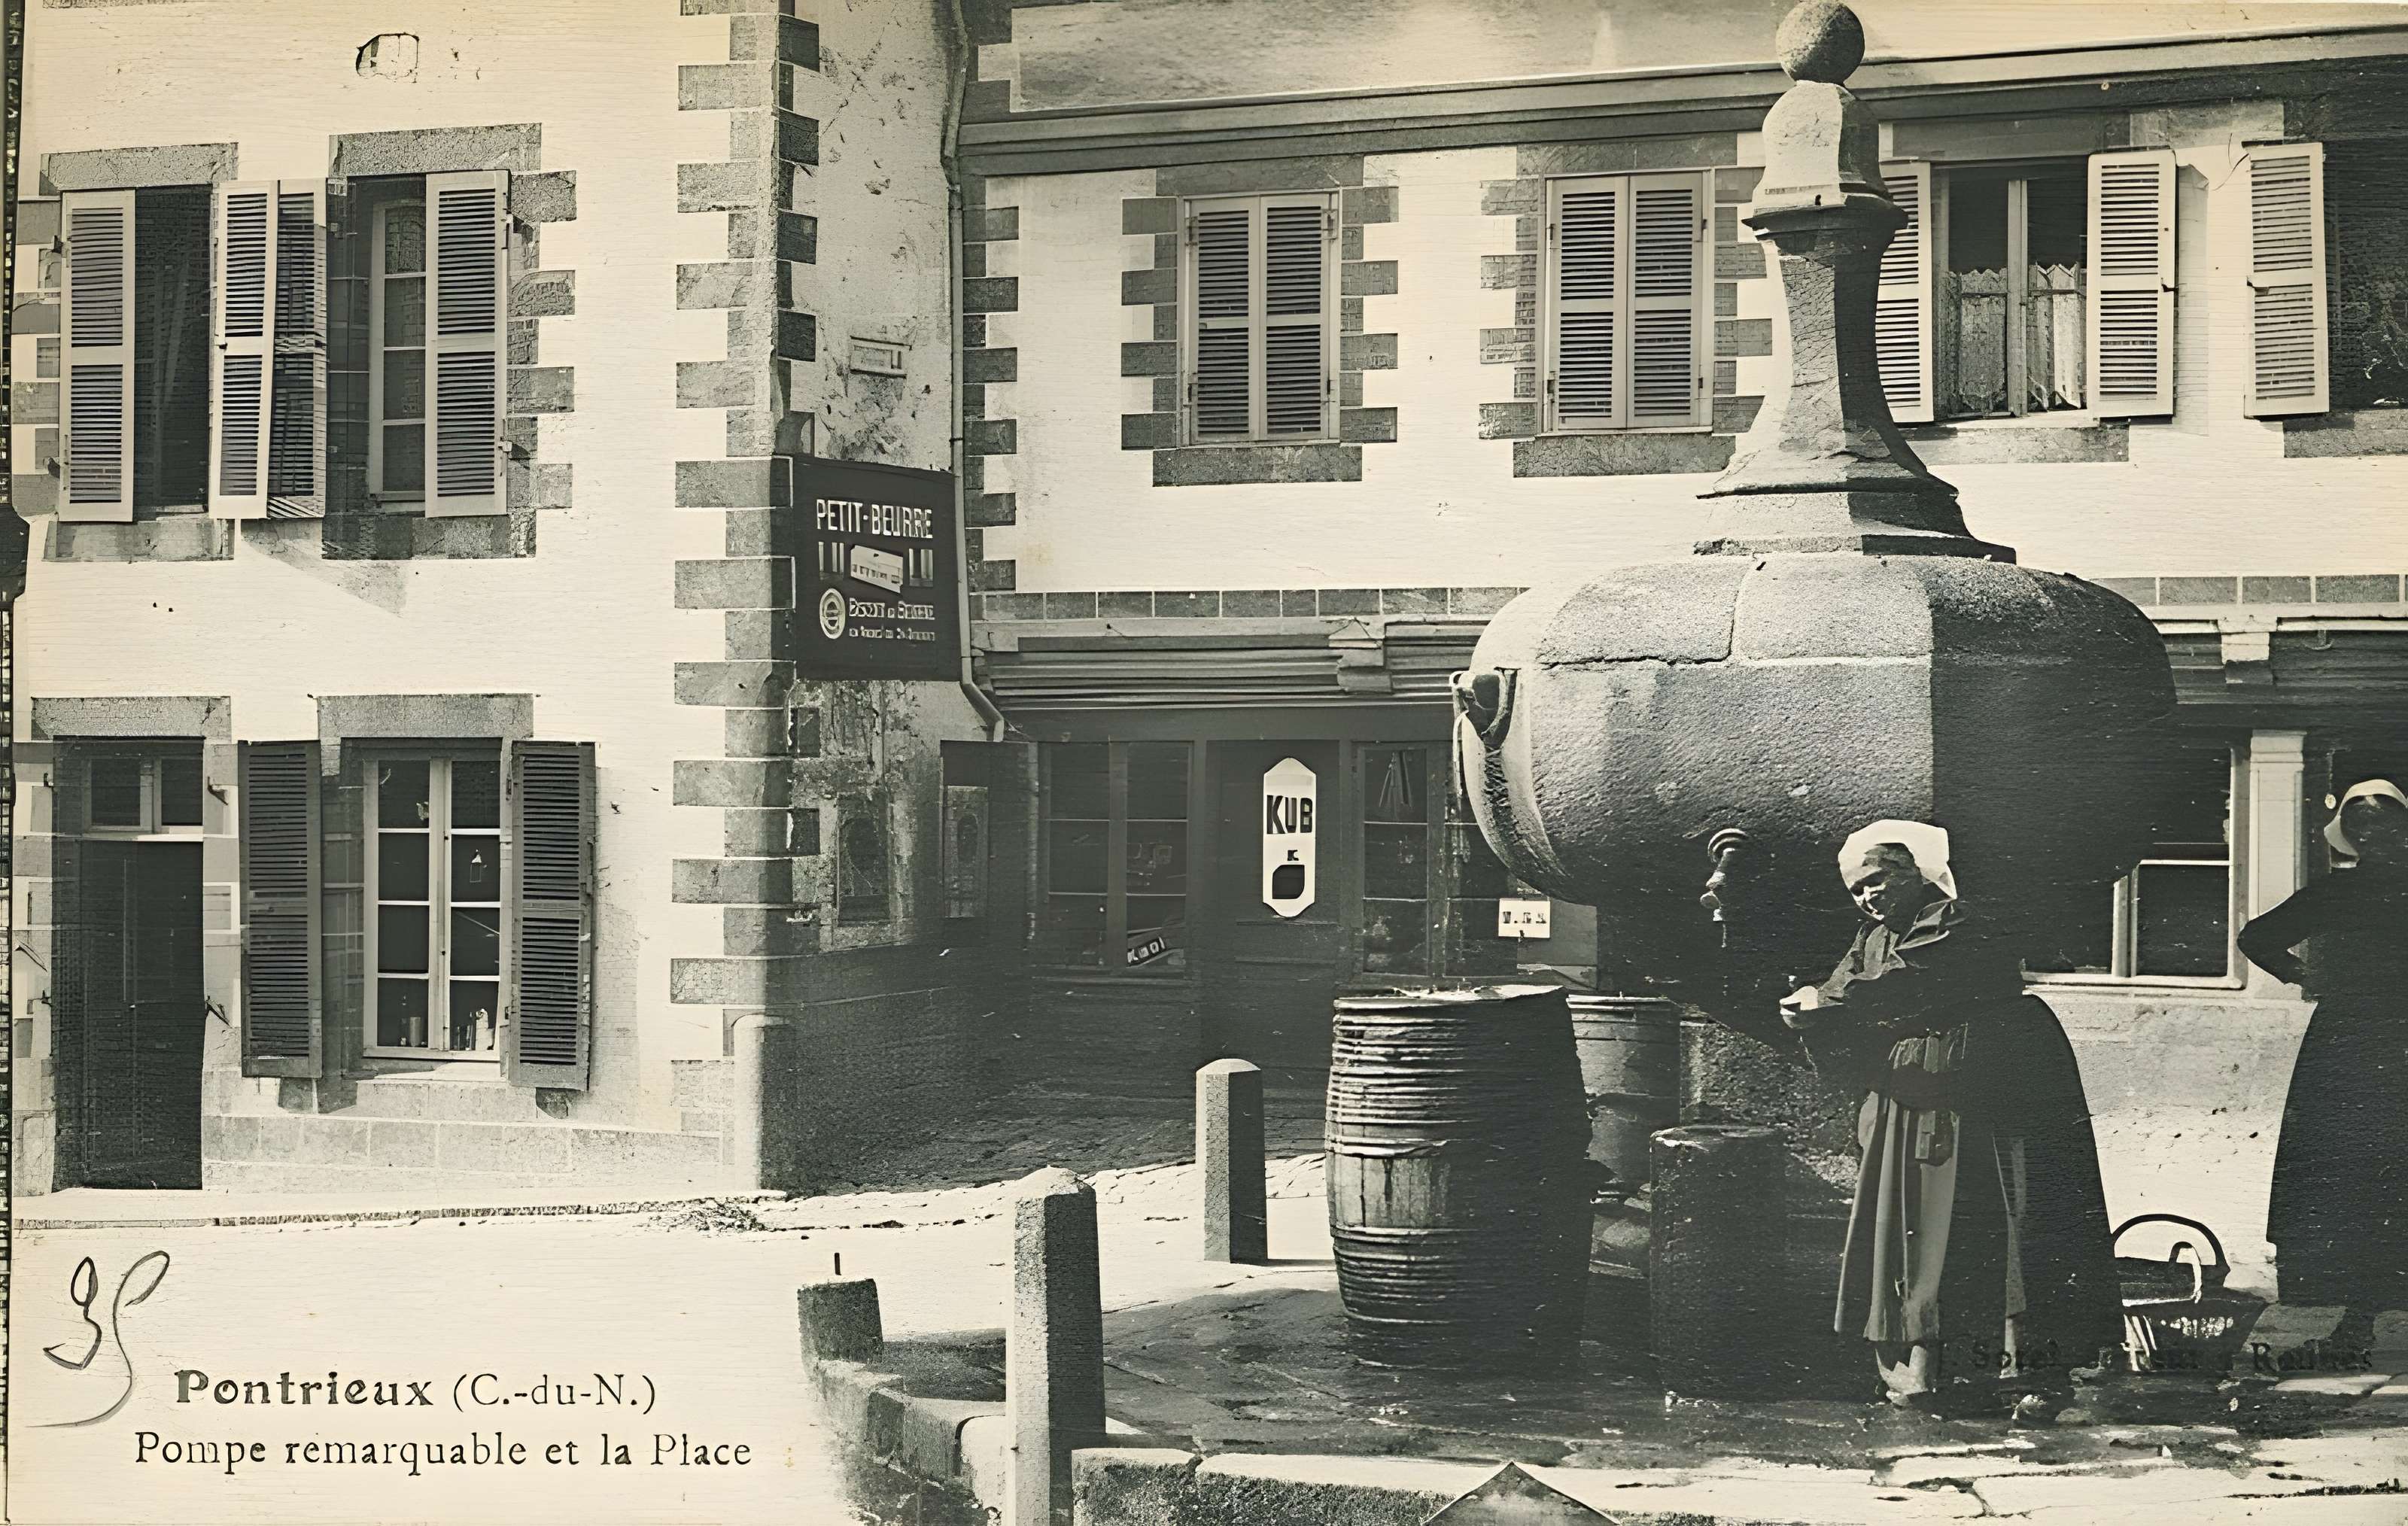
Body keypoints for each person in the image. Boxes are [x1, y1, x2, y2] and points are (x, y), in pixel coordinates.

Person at [1781, 821, 2121, 1406]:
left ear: (1918, 871)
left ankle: (2026, 1364)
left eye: (1879, 879)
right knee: (1925, 1219)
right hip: (1918, 1084)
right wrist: (1809, 1010)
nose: (1868, 896)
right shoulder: (1871, 939)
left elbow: (1901, 980)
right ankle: (1927, 1360)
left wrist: (1828, 1003)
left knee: (2011, 1211)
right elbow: (1848, 985)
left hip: (1995, 1082)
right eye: (1857, 889)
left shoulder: (1958, 920)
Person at [2236, 779, 2408, 1356]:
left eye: (2382, 825)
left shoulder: (2346, 892)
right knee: (2352, 1169)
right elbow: (2255, 937)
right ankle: (2358, 1318)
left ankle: (2368, 1315)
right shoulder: (2336, 893)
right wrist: (2304, 976)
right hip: (2353, 1043)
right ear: (2353, 838)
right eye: (2363, 828)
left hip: (2369, 1038)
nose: (2373, 836)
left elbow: (2255, 938)